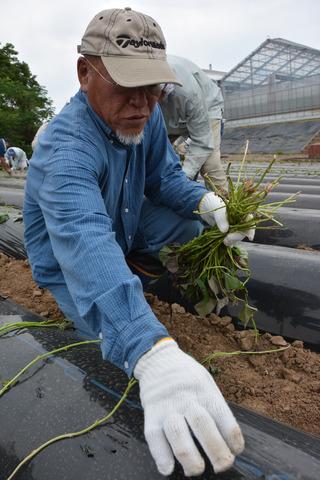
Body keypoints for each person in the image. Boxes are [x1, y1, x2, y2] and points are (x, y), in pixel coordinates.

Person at [23, 7, 247, 477]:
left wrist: (206, 202)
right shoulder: (65, 149)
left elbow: (165, 177)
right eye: (128, 86)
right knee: (110, 333)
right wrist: (150, 350)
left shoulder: (144, 116)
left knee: (194, 231)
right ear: (85, 72)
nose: (143, 104)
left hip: (127, 217)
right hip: (69, 257)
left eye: (154, 88)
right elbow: (86, 242)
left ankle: (165, 276)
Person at [159, 55, 227, 191]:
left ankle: (223, 205)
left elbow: (202, 140)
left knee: (209, 165)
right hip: (171, 118)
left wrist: (183, 179)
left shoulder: (187, 93)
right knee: (159, 156)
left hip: (207, 109)